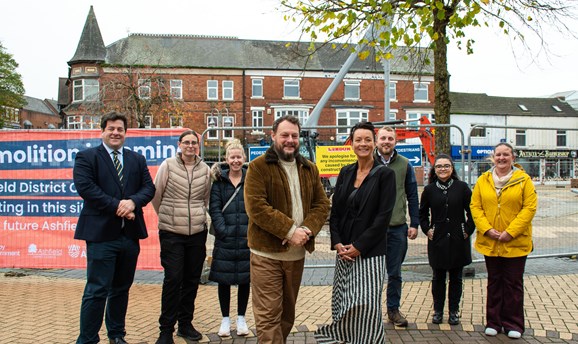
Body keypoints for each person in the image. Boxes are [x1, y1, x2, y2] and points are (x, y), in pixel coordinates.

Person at [244, 115, 331, 344]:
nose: (290, 140)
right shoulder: (258, 167)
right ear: (273, 136)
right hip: (266, 255)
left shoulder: (309, 168)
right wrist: (290, 231)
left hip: (296, 256)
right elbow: (257, 207)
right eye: (284, 135)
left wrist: (307, 230)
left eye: (294, 135)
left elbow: (322, 205)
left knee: (286, 316)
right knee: (268, 316)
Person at [73, 112, 156, 344]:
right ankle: (88, 339)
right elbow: (86, 188)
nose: (116, 133)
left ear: (126, 133)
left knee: (121, 289)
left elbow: (148, 188)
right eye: (111, 128)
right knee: (97, 290)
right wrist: (118, 206)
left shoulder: (136, 159)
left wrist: (132, 202)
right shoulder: (87, 157)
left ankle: (117, 335)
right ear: (102, 131)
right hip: (101, 236)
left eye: (120, 129)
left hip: (129, 236)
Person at [314, 122, 396, 343]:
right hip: (344, 252)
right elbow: (337, 211)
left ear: (375, 143)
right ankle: (347, 339)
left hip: (370, 252)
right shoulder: (346, 171)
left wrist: (359, 246)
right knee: (344, 301)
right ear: (351, 143)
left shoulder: (385, 174)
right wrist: (337, 241)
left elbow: (383, 217)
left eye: (368, 139)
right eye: (358, 139)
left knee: (366, 304)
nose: (363, 144)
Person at [471, 142, 537, 339]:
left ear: (513, 158)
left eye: (506, 154)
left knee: (513, 283)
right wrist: (487, 229)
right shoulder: (483, 180)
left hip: (515, 242)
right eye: (498, 154)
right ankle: (493, 322)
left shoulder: (524, 181)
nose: (501, 158)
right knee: (494, 282)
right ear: (493, 157)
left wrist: (511, 232)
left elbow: (529, 209)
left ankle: (513, 324)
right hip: (491, 241)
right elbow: (476, 206)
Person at [151, 130, 211, 344]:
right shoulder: (167, 165)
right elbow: (156, 195)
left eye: (194, 143)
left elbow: (205, 199)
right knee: (173, 279)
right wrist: (169, 217)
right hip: (171, 232)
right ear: (179, 144)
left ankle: (185, 324)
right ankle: (165, 330)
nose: (191, 146)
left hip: (196, 233)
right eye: (186, 142)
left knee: (192, 280)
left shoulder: (204, 169)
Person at [419, 154, 475, 325]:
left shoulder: (462, 188)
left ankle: (454, 311)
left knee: (456, 278)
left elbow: (473, 211)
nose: (443, 169)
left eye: (446, 166)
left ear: (452, 168)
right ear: (434, 170)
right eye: (439, 166)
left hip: (458, 238)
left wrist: (467, 229)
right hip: (438, 239)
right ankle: (438, 310)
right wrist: (427, 230)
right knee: (438, 277)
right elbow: (422, 213)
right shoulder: (429, 190)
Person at [374, 126, 419, 327]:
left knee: (395, 273)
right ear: (376, 141)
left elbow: (412, 195)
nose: (386, 141)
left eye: (390, 138)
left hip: (397, 228)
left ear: (395, 141)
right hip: (372, 230)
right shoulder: (367, 162)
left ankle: (393, 310)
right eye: (383, 138)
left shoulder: (405, 165)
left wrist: (415, 223)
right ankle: (371, 312)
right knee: (371, 274)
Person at [208, 139, 251, 337]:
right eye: (232, 157)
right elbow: (214, 208)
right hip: (225, 238)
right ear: (226, 159)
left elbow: (256, 206)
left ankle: (241, 318)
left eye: (238, 157)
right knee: (224, 280)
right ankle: (225, 319)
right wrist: (222, 230)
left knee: (245, 279)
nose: (235, 160)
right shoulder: (219, 181)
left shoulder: (251, 180)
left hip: (246, 238)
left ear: (244, 158)